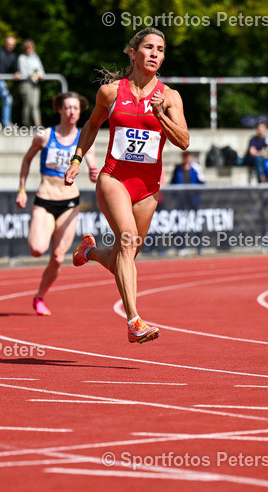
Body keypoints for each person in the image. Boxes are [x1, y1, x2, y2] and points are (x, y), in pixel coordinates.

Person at [64, 28, 189, 344]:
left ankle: (89, 251)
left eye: (160, 50)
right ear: (133, 53)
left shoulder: (170, 97)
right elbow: (92, 126)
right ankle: (134, 321)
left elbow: (184, 141)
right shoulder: (110, 93)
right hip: (114, 178)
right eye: (149, 47)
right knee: (129, 239)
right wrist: (77, 161)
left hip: (147, 189)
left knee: (126, 253)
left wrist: (160, 115)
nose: (155, 54)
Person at [16, 91, 98, 316]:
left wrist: (93, 171)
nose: (72, 112)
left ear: (80, 112)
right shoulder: (44, 136)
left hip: (70, 203)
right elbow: (27, 160)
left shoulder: (84, 138)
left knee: (58, 257)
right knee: (37, 249)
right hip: (45, 200)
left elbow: (91, 162)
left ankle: (40, 296)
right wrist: (22, 189)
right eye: (68, 107)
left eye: (76, 108)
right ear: (60, 110)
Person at [17, 40, 45, 127]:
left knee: (35, 104)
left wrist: (40, 75)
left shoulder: (36, 57)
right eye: (26, 47)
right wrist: (35, 74)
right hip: (26, 83)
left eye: (30, 47)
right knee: (28, 104)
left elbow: (41, 70)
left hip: (35, 83)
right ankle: (27, 124)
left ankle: (37, 123)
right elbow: (24, 72)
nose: (28, 49)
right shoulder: (21, 58)